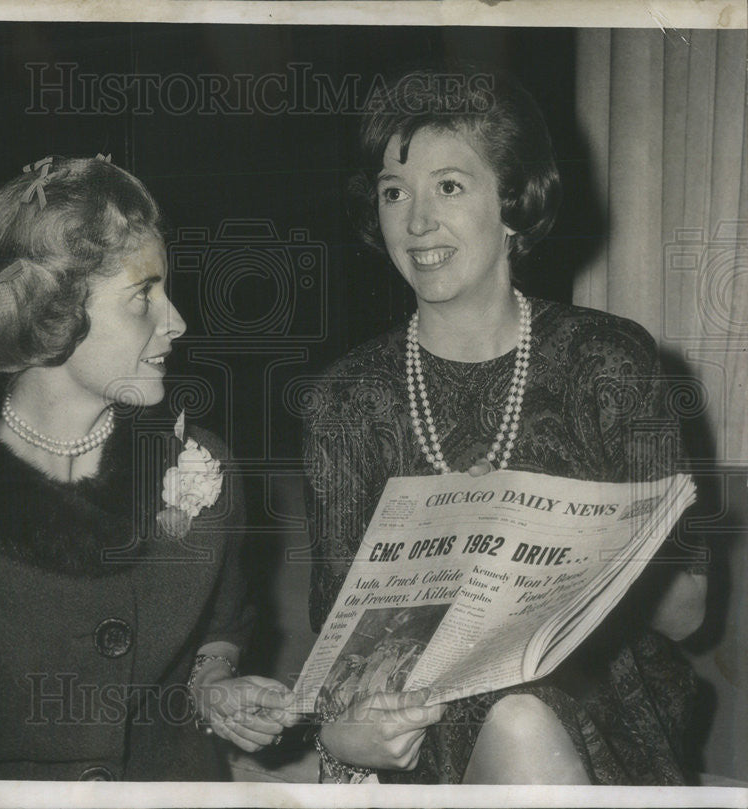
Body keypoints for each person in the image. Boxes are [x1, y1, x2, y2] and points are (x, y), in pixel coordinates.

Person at [303, 67, 708, 785]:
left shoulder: (610, 361)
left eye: (449, 187)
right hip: (431, 726)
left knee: (525, 711)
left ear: (514, 203)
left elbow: (687, 613)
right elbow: (342, 650)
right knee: (512, 717)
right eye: (394, 192)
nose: (417, 220)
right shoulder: (347, 399)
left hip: (602, 704)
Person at [0, 155, 294, 780]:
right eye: (144, 295)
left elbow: (222, 629)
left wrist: (212, 685)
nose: (177, 322)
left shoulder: (201, 467)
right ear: (51, 311)